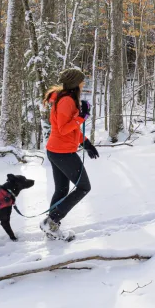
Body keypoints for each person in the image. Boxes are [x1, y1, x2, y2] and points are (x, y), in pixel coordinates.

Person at [40, 67, 99, 239]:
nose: (83, 83)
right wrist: (82, 117)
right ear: (75, 84)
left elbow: (70, 129)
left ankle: (51, 228)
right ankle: (51, 221)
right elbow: (64, 128)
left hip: (57, 150)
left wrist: (86, 143)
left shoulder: (67, 98)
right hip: (62, 152)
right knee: (83, 187)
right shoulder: (66, 101)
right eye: (82, 80)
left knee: (61, 190)